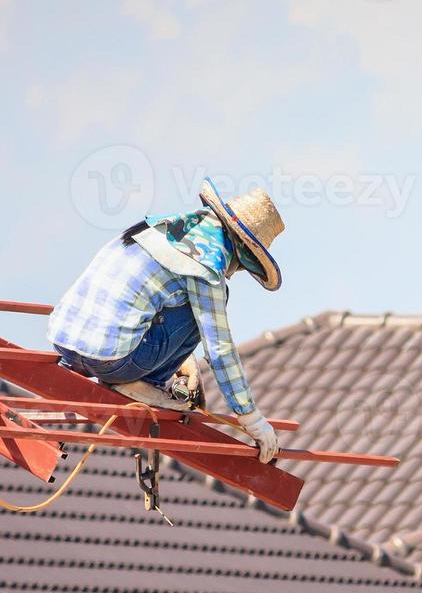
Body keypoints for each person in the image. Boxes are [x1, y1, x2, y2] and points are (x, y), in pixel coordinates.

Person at [48, 178, 283, 463]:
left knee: (189, 302)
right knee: (209, 307)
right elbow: (219, 349)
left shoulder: (156, 230)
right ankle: (147, 381)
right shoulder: (205, 266)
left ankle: (143, 376)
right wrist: (251, 418)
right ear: (242, 251)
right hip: (113, 362)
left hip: (65, 344)